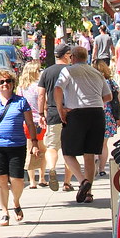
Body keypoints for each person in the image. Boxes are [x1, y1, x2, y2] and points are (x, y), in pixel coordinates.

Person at [0, 69, 38, 226]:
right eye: (1, 82)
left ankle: (16, 202)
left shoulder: (21, 102)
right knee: (1, 179)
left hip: (17, 145)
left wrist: (35, 142)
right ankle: (4, 212)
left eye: (8, 81)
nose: (5, 84)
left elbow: (30, 123)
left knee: (17, 179)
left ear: (13, 84)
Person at [54, 46, 112, 204]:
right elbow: (108, 96)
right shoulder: (97, 73)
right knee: (90, 154)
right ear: (86, 57)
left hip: (77, 113)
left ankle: (82, 181)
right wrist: (95, 100)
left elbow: (58, 88)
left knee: (67, 152)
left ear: (72, 57)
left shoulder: (68, 71)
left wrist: (61, 109)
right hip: (97, 114)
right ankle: (89, 192)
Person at [38, 43, 74, 192]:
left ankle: (52, 168)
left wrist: (41, 113)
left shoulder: (46, 72)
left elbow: (41, 95)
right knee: (69, 149)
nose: (71, 57)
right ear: (65, 55)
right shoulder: (71, 71)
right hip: (71, 112)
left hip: (53, 112)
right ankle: (67, 182)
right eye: (70, 55)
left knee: (52, 147)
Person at [17, 61, 45, 188]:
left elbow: (18, 105)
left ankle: (32, 180)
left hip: (26, 122)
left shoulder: (21, 87)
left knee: (29, 150)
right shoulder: (39, 86)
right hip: (40, 120)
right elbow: (44, 102)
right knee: (42, 150)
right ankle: (42, 178)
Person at [92, 59, 120, 176]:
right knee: (104, 144)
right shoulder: (111, 82)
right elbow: (118, 100)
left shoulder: (90, 82)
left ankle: (92, 168)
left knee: (93, 143)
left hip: (93, 113)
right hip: (108, 115)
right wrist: (118, 116)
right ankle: (102, 169)